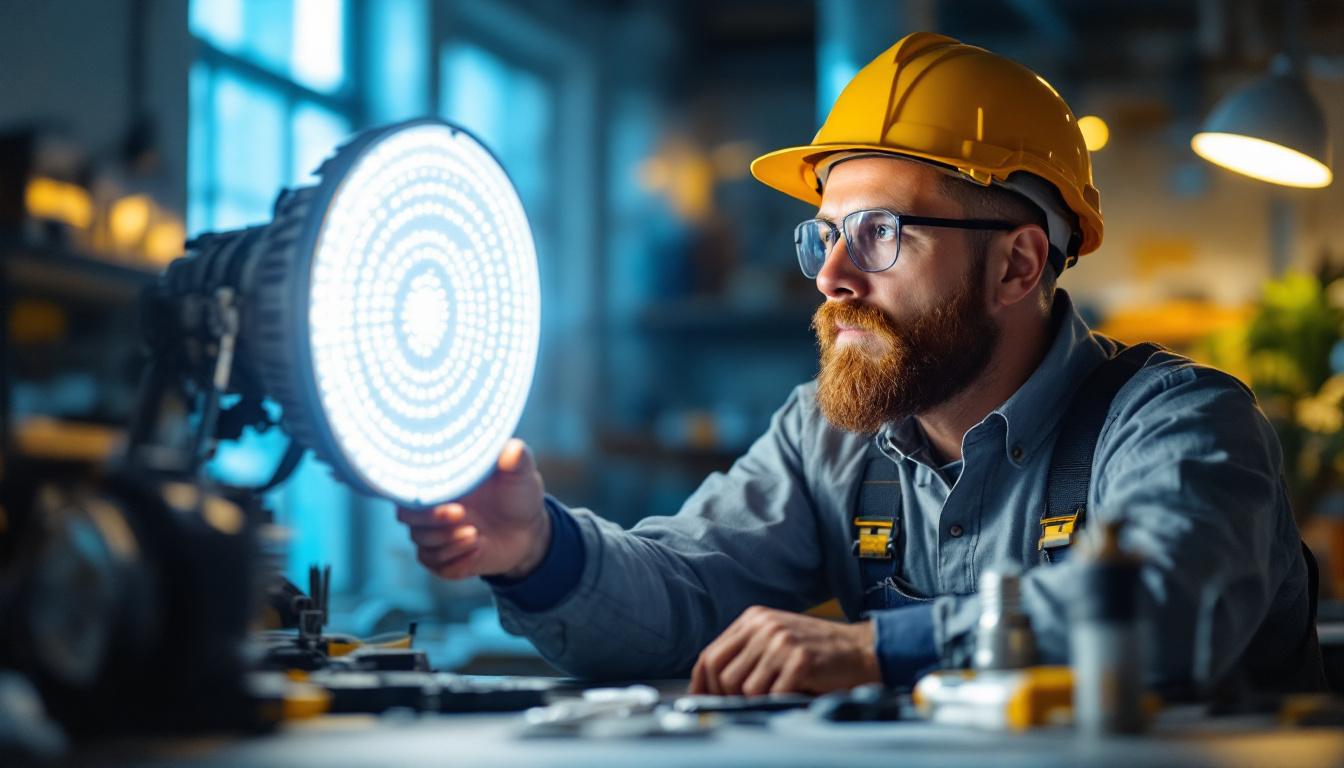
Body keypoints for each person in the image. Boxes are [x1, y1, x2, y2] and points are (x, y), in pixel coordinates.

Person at [396, 32, 1326, 695]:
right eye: (826, 235)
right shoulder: (830, 435)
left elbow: (1167, 608)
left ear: (1016, 263)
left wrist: (877, 648)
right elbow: (687, 590)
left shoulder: (1180, 422)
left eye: (880, 233)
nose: (832, 275)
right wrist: (537, 553)